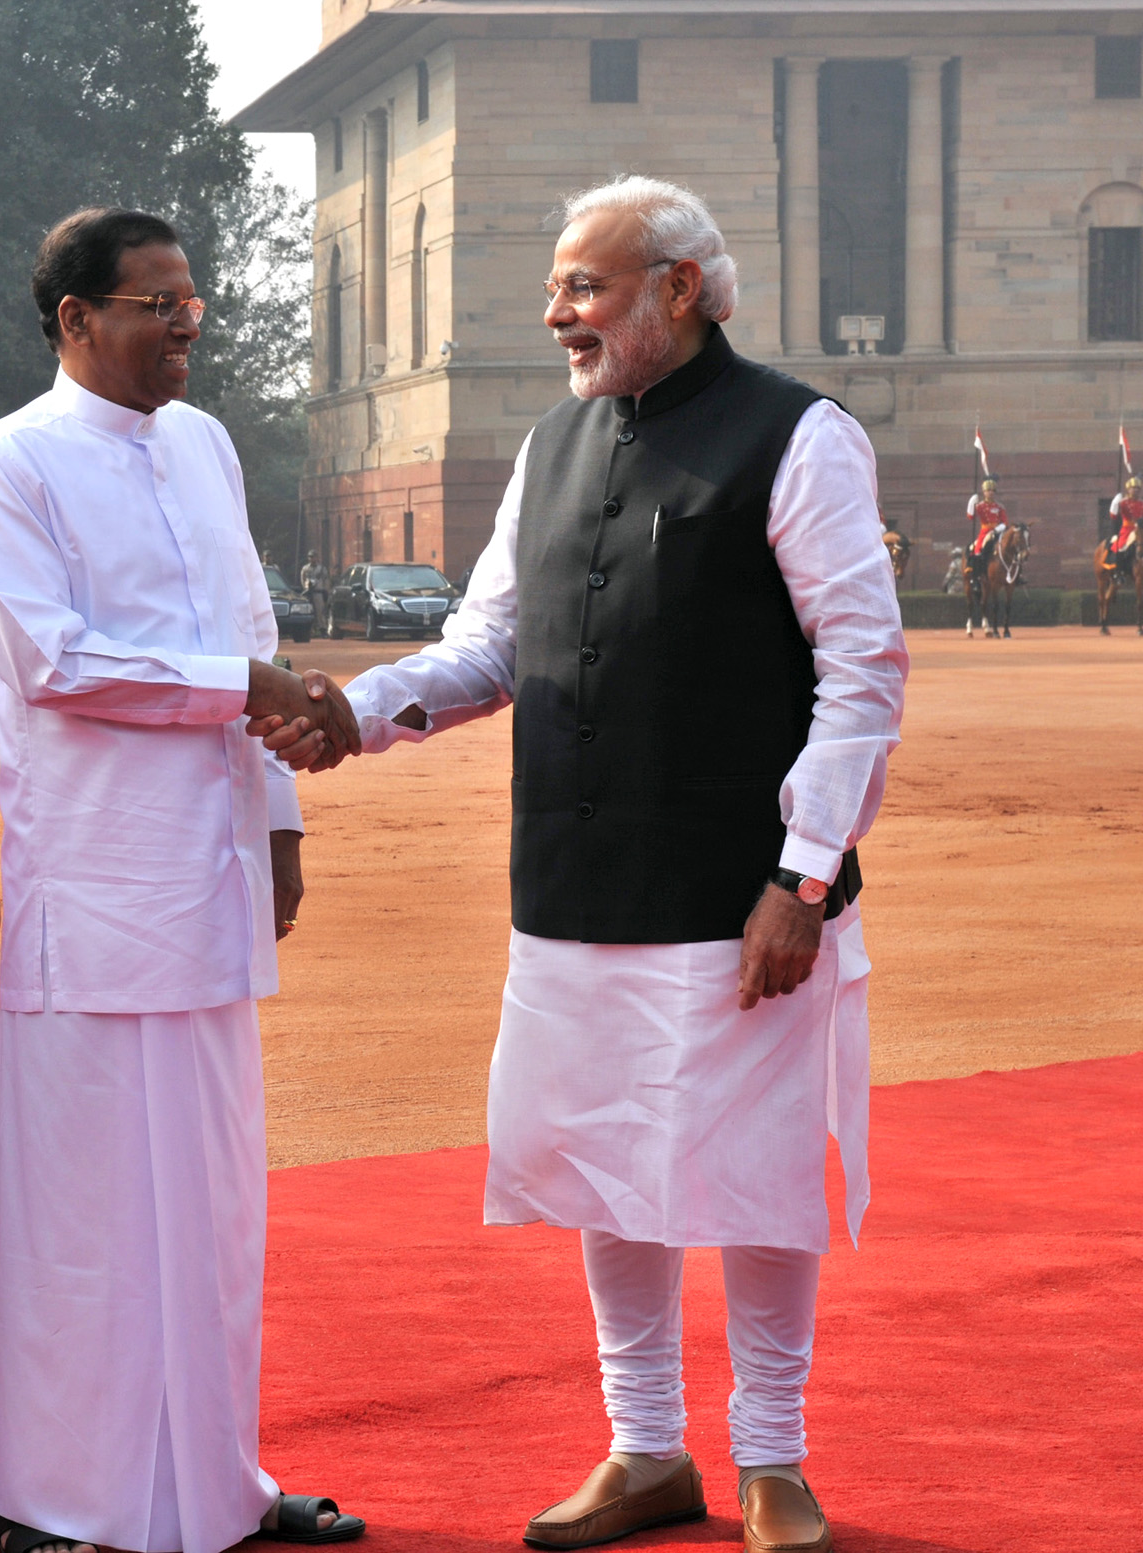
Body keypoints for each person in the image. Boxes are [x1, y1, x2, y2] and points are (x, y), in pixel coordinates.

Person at [310, 177, 906, 1553]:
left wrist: (802, 876)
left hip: (740, 895)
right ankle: (646, 1447)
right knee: (600, 1172)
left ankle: (774, 1459)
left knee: (755, 1175)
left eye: (585, 285)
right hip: (575, 887)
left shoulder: (797, 437)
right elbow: (487, 647)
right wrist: (359, 710)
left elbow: (861, 670)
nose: (556, 311)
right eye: (559, 285)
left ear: (678, 290)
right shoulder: (551, 445)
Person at [0, 206, 366, 1553]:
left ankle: (214, 1489)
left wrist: (284, 817)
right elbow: (49, 660)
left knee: (210, 1213)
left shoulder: (203, 444)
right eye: (155, 302)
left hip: (214, 874)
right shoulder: (6, 461)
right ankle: (53, 1501)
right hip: (95, 893)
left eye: (193, 300)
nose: (187, 322)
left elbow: (254, 628)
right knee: (81, 1218)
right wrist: (236, 689)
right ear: (76, 320)